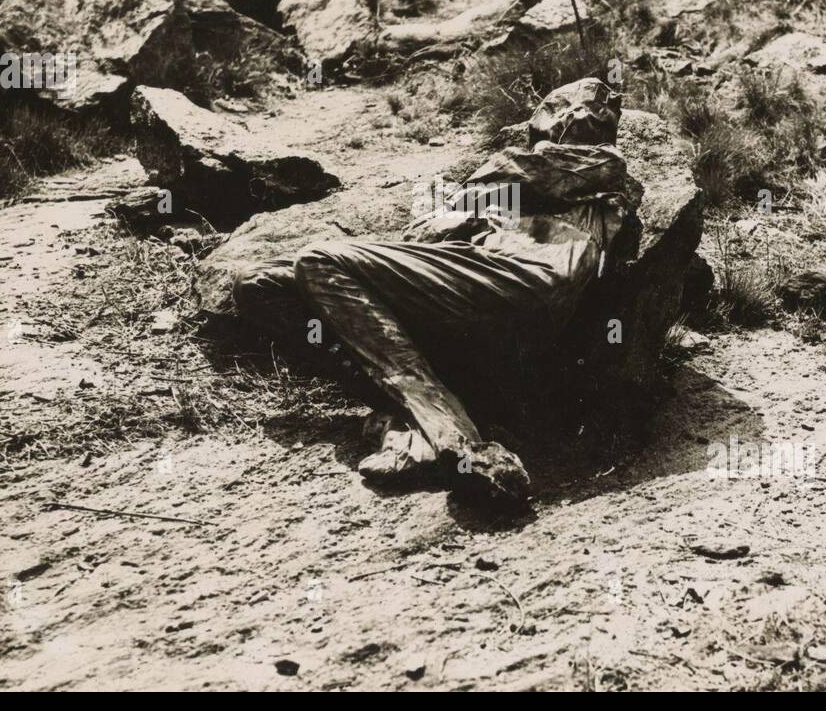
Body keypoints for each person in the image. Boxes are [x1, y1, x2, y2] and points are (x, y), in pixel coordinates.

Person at [232, 78, 644, 505]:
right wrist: (445, 219)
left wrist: (464, 198)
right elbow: (427, 238)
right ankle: (413, 416)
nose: (562, 117)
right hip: (467, 297)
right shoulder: (503, 192)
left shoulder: (598, 164)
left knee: (320, 260)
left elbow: (517, 172)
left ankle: (454, 437)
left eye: (570, 110)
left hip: (525, 282)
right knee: (258, 283)